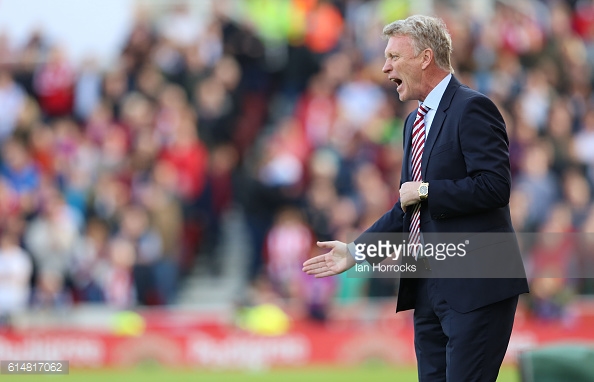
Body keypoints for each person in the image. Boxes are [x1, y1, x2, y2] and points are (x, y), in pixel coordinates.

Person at [302, 15, 529, 382]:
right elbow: (407, 208)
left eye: (393, 56)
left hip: (476, 286)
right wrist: (357, 252)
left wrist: (426, 190)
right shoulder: (413, 122)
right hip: (427, 287)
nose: (384, 66)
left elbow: (494, 186)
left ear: (425, 57)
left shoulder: (472, 107)